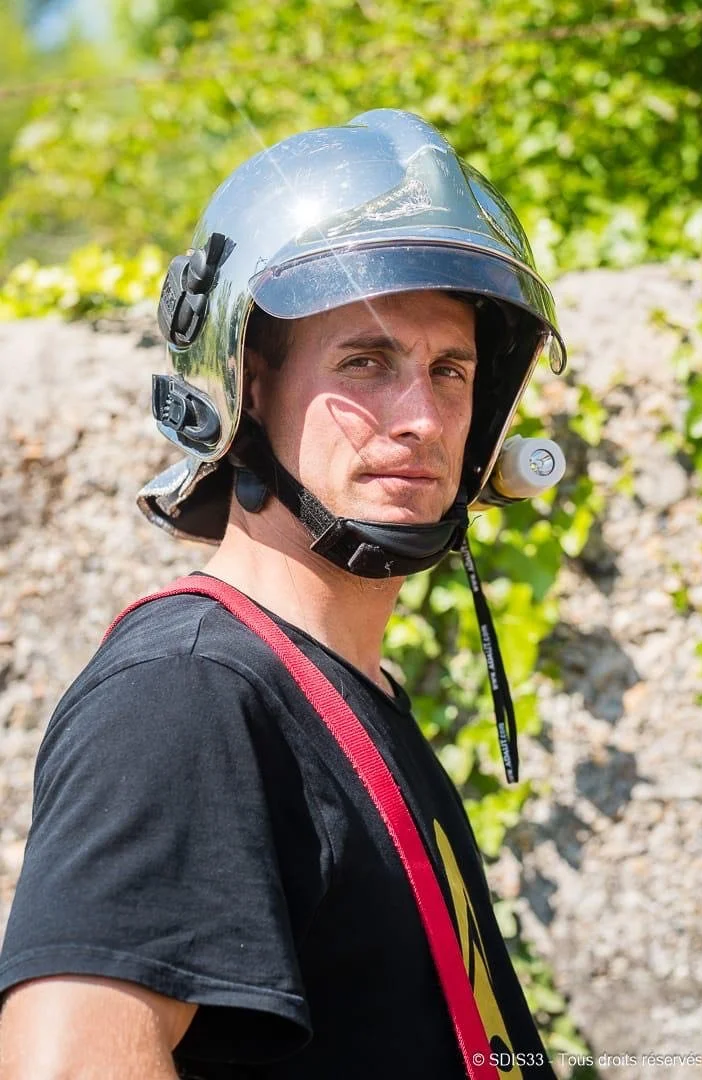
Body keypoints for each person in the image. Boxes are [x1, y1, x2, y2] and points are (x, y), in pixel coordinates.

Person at [0, 109, 567, 1079]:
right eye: (364, 363)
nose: (421, 418)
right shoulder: (186, 697)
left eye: (449, 370)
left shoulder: (345, 693)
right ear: (245, 383)